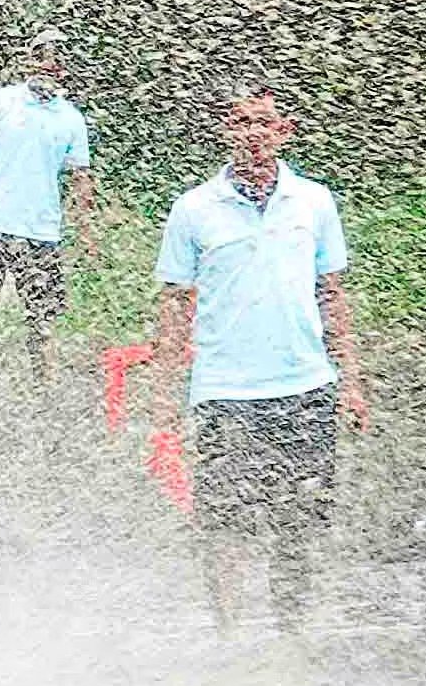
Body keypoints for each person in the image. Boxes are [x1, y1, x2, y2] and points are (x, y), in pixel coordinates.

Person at [154, 87, 369, 607]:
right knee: (223, 524)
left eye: (264, 123)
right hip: (224, 390)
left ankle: (289, 638)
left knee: (298, 523)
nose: (253, 132)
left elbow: (331, 293)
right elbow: (174, 304)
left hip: (305, 385)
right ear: (225, 131)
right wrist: (164, 395)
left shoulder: (314, 202)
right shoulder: (194, 209)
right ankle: (228, 636)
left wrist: (352, 381)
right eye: (241, 122)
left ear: (284, 131)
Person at [0, 36, 93, 369]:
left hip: (41, 233)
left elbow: (81, 178)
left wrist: (84, 230)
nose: (47, 63)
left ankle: (43, 382)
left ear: (64, 68)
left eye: (56, 57)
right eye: (40, 55)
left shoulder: (71, 119)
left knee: (43, 319)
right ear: (29, 60)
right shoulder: (1, 102)